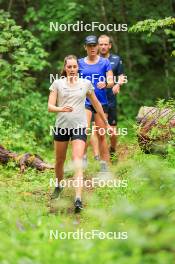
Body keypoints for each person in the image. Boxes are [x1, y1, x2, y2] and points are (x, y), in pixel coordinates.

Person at [48, 55, 113, 213]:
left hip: (79, 126)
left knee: (77, 161)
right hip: (62, 127)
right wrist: (60, 109)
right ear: (65, 68)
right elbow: (50, 106)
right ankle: (58, 185)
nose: (71, 70)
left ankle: (78, 199)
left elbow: (97, 104)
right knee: (59, 160)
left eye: (74, 67)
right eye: (68, 67)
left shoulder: (85, 84)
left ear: (78, 68)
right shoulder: (57, 83)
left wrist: (106, 123)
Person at [78, 35, 115, 171]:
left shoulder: (105, 62)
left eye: (94, 45)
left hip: (101, 102)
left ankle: (104, 166)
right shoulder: (79, 62)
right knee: (83, 131)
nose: (92, 48)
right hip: (85, 102)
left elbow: (111, 81)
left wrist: (105, 83)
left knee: (101, 134)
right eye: (90, 46)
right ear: (85, 47)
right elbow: (70, 77)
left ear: (98, 47)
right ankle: (82, 159)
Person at [98, 34, 125, 157]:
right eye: (101, 44)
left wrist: (118, 84)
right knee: (100, 130)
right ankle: (102, 157)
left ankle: (113, 149)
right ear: (97, 46)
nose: (103, 46)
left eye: (105, 44)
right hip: (97, 100)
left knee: (113, 132)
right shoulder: (93, 60)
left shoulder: (116, 59)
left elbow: (121, 76)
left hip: (111, 99)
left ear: (109, 45)